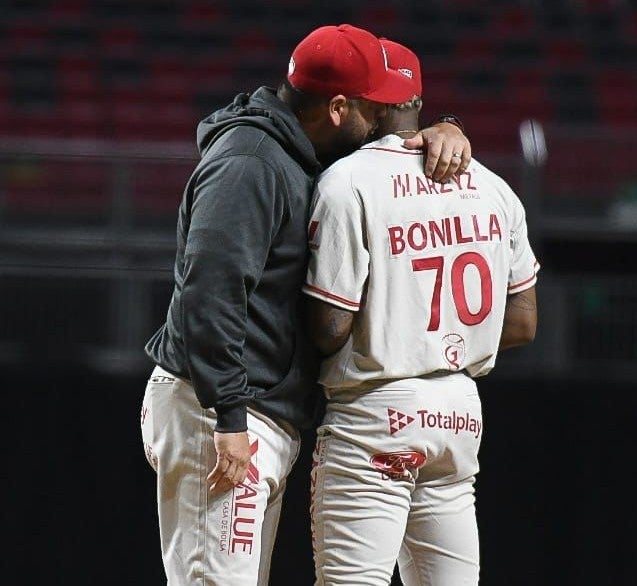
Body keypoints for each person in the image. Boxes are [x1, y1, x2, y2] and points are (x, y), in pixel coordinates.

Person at [139, 24, 471, 586]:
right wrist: (227, 415)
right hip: (215, 407)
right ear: (338, 106)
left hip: (253, 408)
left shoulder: (306, 149)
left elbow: (388, 146)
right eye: (378, 111)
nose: (388, 125)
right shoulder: (251, 161)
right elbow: (209, 291)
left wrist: (448, 129)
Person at [303, 39, 539, 586]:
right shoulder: (492, 186)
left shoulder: (348, 183)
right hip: (458, 415)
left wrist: (395, 325)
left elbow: (329, 328)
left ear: (373, 104)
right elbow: (524, 322)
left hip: (376, 411)